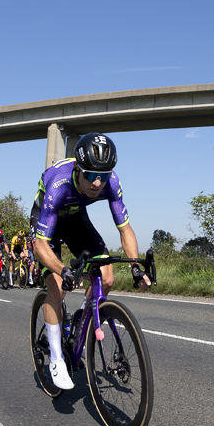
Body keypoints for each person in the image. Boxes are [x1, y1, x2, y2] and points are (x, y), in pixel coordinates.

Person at [31, 133, 151, 390]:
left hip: (75, 220)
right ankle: (56, 358)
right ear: (77, 168)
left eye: (104, 175)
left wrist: (135, 267)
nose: (98, 182)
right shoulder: (58, 184)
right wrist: (64, 270)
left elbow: (125, 229)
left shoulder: (110, 182)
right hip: (48, 221)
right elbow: (40, 245)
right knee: (57, 285)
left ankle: (80, 319)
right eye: (91, 175)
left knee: (107, 278)